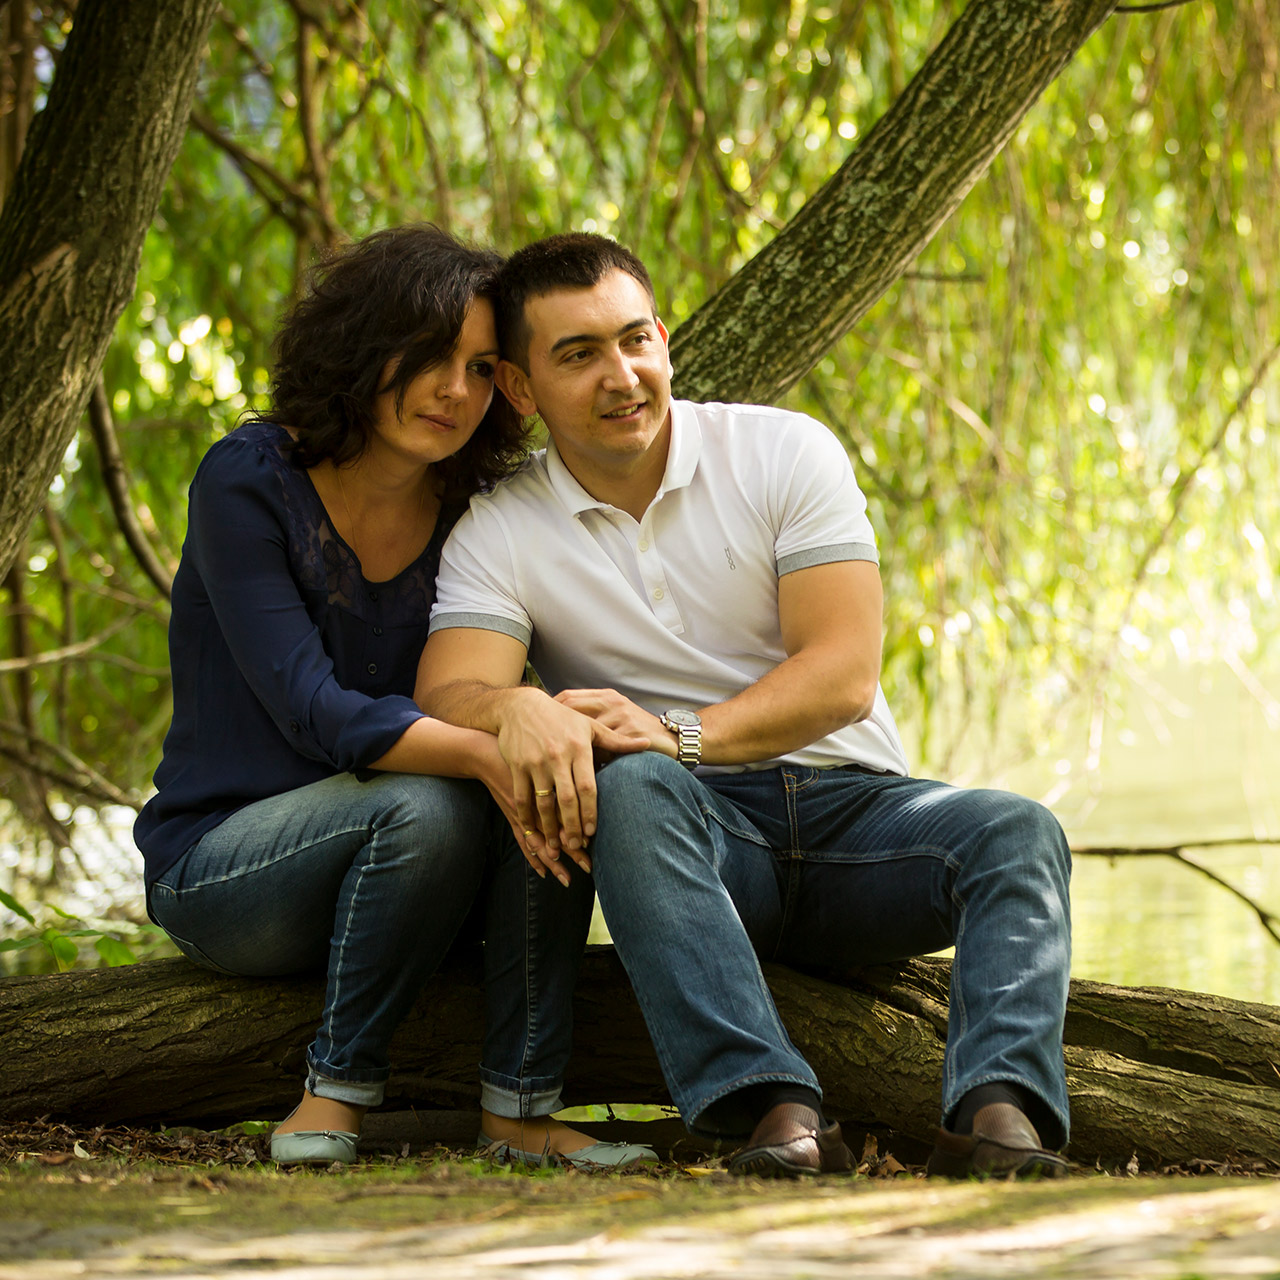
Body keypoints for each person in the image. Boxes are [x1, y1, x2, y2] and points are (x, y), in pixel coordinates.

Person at [414, 232, 1073, 1179]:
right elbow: (449, 688)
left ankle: (994, 1115)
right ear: (519, 389)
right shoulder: (503, 526)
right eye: (579, 354)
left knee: (1018, 831)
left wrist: (684, 733)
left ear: (666, 339)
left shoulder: (780, 450)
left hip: (863, 822)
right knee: (635, 790)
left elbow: (842, 672)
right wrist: (518, 708)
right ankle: (776, 1110)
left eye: (636, 339)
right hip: (703, 847)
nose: (622, 374)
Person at [134, 225, 654, 1169]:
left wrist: (538, 739)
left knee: (549, 766)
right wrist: (486, 751)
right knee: (435, 795)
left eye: (483, 366)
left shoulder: (476, 511)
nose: (456, 390)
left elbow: (483, 694)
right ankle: (332, 1097)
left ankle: (522, 1109)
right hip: (225, 867)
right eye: (427, 357)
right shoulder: (250, 481)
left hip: (411, 876)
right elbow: (314, 710)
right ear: (362, 348)